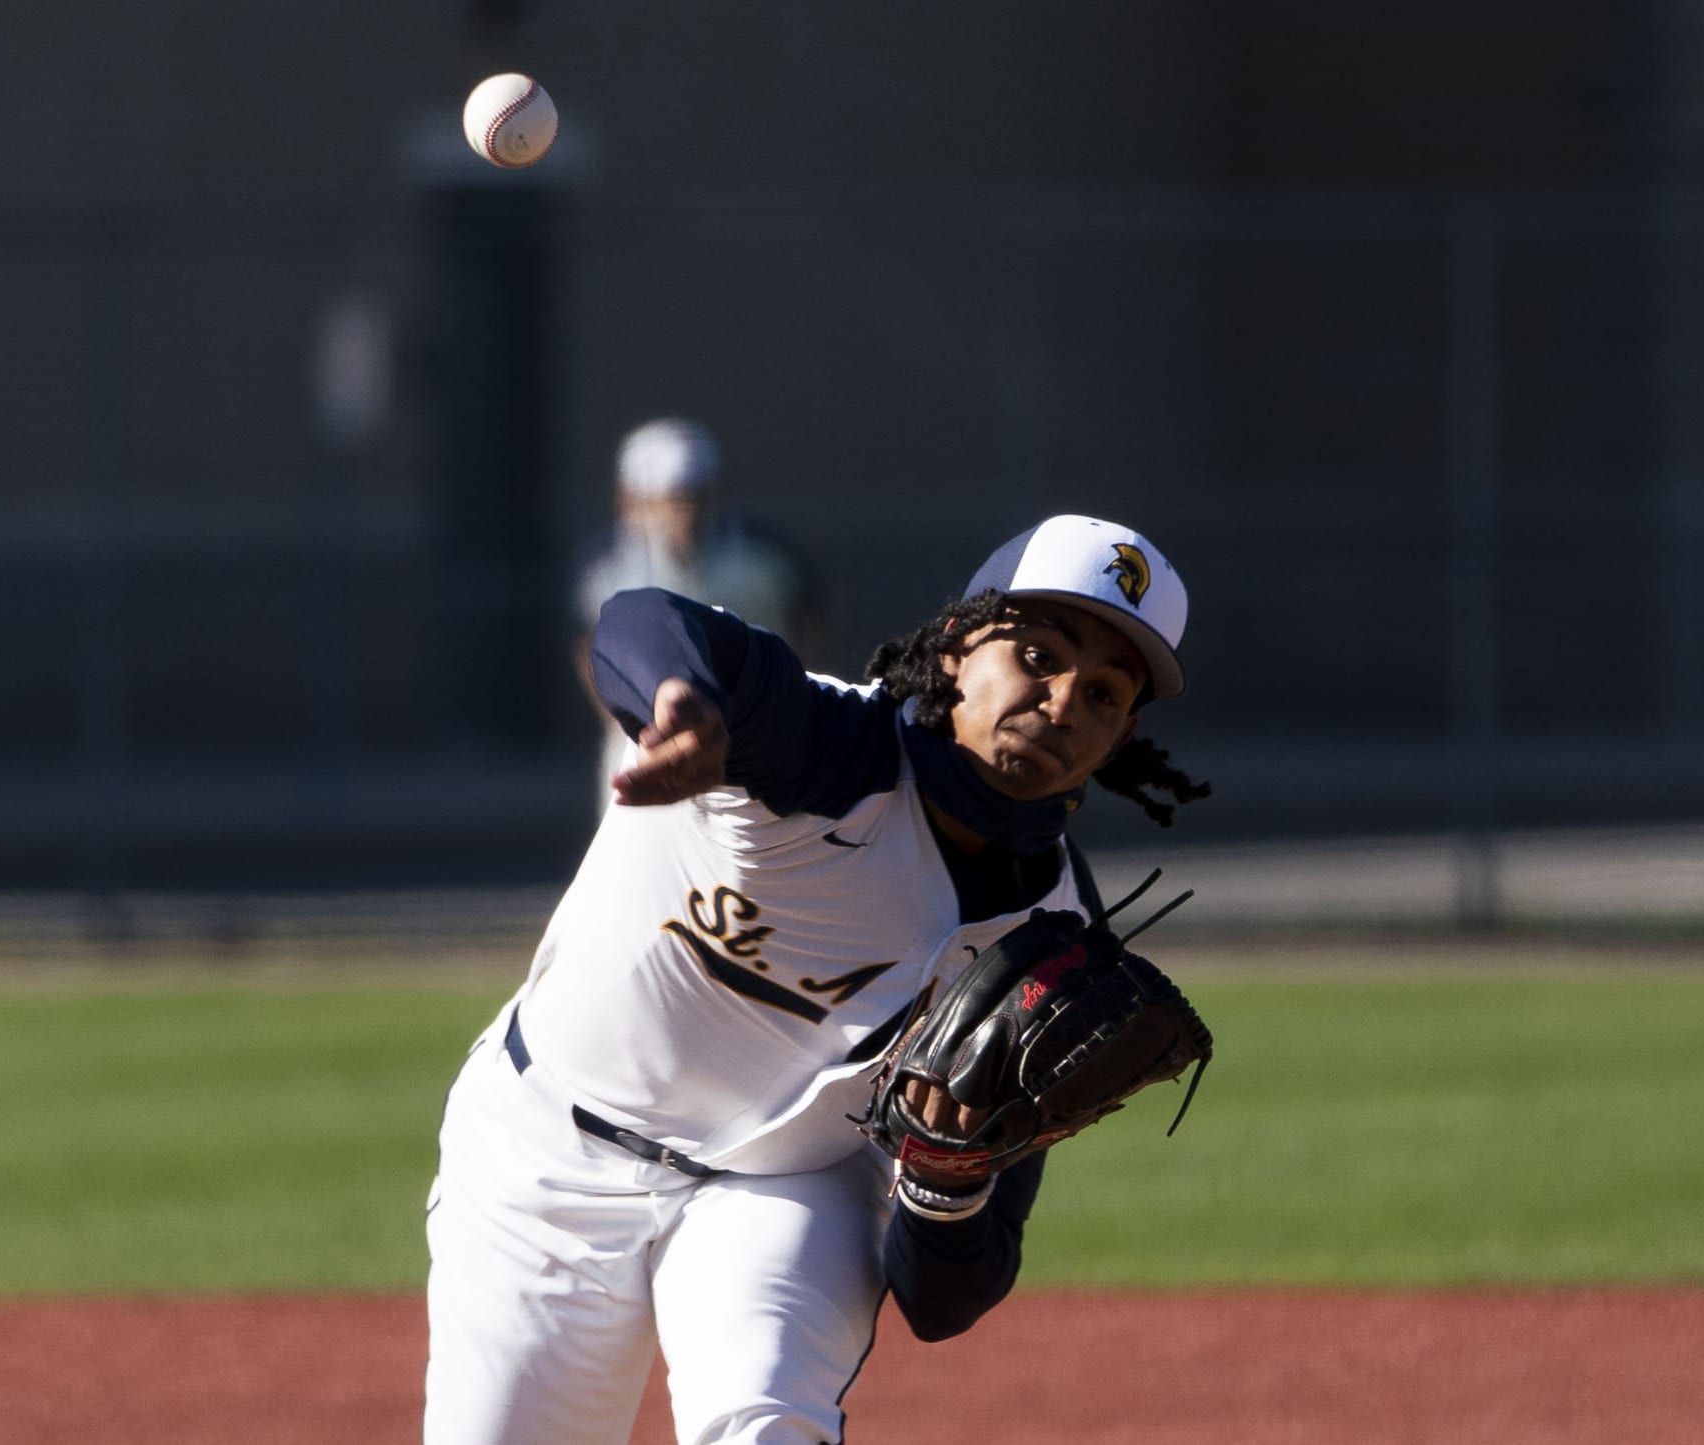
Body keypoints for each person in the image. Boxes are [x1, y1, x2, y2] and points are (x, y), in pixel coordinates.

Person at [425, 513, 1209, 1444]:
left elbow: (944, 1297)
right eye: (1038, 653)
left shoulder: (1057, 940)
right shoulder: (822, 746)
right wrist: (683, 697)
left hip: (778, 1192)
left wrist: (948, 1184)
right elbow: (640, 619)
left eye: (1105, 694)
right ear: (959, 646)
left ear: (1117, 741)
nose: (1064, 700)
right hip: (546, 1148)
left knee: (767, 1430)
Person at [571, 418, 826, 796]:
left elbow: (810, 622)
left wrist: (795, 702)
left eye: (692, 499)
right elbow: (587, 646)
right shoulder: (604, 570)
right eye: (667, 501)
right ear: (629, 499)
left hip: (756, 741)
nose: (682, 515)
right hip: (646, 744)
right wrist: (621, 722)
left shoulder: (766, 559)